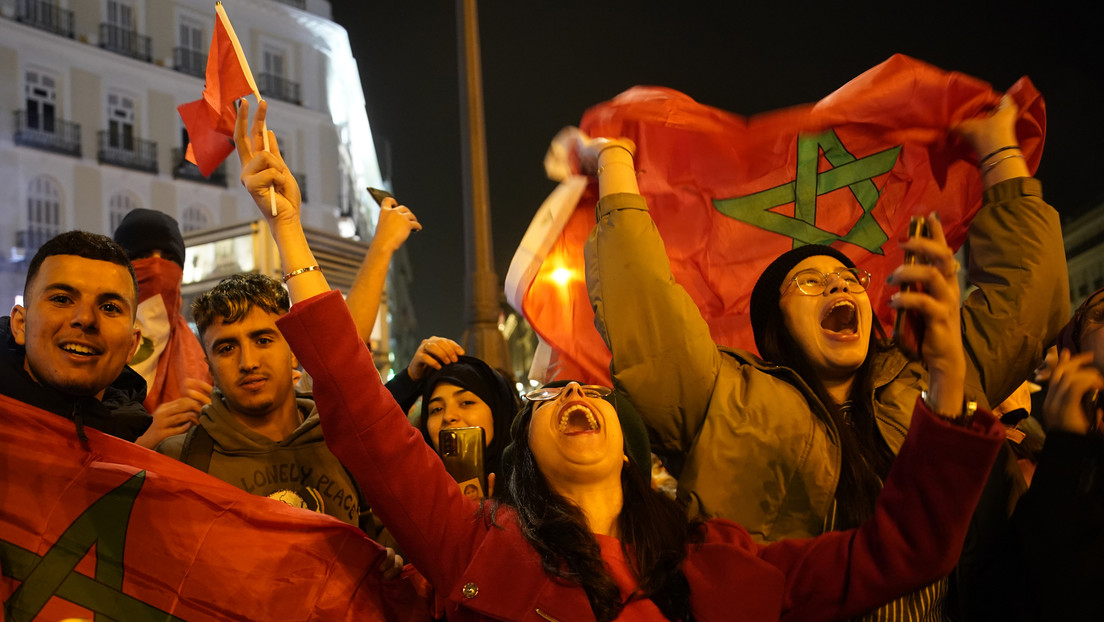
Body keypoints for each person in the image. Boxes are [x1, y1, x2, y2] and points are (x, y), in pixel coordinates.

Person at [235, 95, 1005, 622]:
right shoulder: (473, 543)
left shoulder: (724, 561)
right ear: (522, 457)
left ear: (634, 455)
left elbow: (903, 550)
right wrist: (289, 232)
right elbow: (365, 420)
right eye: (550, 402)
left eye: (597, 398)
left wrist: (947, 380)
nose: (579, 399)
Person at [580, 93, 1066, 618]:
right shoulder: (722, 399)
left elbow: (1026, 305)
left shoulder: (934, 375)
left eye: (847, 279)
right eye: (809, 282)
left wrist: (998, 150)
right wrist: (616, 161)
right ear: (776, 326)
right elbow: (647, 312)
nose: (838, 286)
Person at [157, 272, 370, 531]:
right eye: (227, 348)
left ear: (294, 353)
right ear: (210, 370)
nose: (248, 362)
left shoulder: (349, 443)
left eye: (263, 341)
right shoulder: (178, 460)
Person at [1, 231, 151, 442]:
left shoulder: (141, 459)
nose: (86, 318)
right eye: (62, 299)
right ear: (20, 325)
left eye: (109, 307)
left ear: (131, 345)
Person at [112, 208, 212, 415]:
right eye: (143, 256)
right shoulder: (96, 343)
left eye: (168, 258)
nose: (157, 268)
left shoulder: (204, 354)